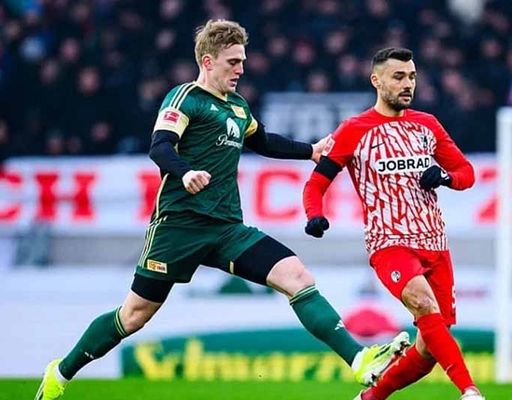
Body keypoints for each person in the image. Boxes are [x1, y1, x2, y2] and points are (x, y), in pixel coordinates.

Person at [34, 20, 409, 400]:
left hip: (227, 229)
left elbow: (264, 141)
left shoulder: (238, 106)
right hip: (179, 227)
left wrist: (309, 151)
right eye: (233, 62)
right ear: (208, 61)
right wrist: (184, 172)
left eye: (242, 61)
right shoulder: (186, 98)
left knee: (296, 275)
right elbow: (160, 146)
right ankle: (60, 373)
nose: (241, 69)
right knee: (134, 315)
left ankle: (358, 359)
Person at [303, 47, 484, 400]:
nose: (408, 84)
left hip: (435, 244)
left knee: (429, 347)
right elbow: (316, 183)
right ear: (376, 80)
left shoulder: (427, 124)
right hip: (389, 243)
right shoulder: (354, 130)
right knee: (423, 303)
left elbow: (467, 172)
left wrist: (445, 177)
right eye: (399, 77)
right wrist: (314, 215)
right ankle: (470, 391)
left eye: (412, 77)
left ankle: (369, 398)